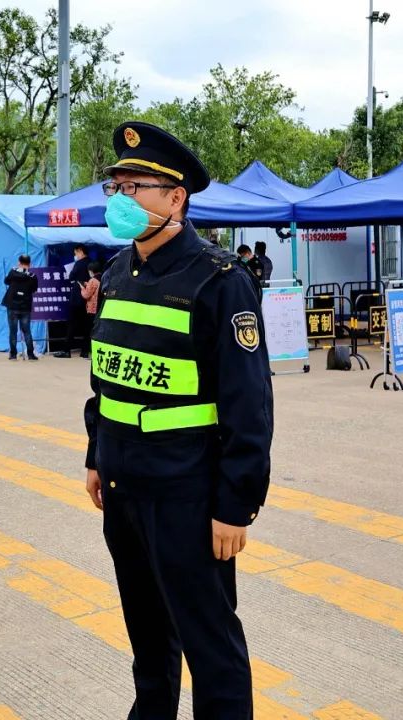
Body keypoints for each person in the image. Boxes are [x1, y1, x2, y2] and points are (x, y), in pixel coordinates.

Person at [83, 121, 273, 719]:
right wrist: (97, 454)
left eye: (137, 186)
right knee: (147, 637)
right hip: (123, 486)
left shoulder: (221, 281)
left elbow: (249, 405)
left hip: (188, 494)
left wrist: (234, 504)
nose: (123, 198)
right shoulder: (116, 273)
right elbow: (107, 377)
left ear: (176, 198)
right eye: (117, 186)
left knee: (209, 641)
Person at [54, 244, 92, 358]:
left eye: (75, 253)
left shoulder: (79, 263)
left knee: (72, 324)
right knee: (87, 325)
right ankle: (85, 351)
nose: (75, 256)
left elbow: (71, 276)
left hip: (77, 298)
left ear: (80, 251)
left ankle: (67, 350)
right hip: (88, 299)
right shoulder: (91, 262)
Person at [1, 254, 39, 360]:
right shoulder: (32, 276)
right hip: (25, 307)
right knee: (27, 331)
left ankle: (13, 354)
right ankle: (30, 354)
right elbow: (34, 290)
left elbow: (6, 281)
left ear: (19, 262)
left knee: (13, 331)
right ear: (30, 264)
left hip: (12, 306)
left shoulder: (13, 272)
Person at [81, 261, 103, 355]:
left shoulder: (92, 280)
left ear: (91, 270)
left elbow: (86, 295)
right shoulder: (103, 277)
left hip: (92, 309)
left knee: (89, 331)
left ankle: (86, 351)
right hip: (100, 309)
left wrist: (82, 288)